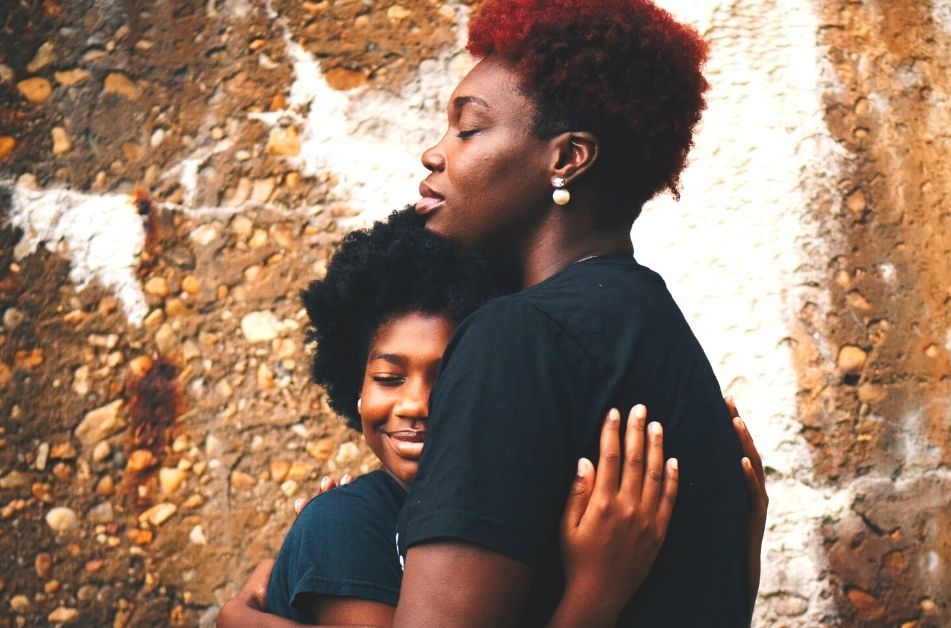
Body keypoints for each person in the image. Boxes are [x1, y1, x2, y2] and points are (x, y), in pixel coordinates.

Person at [393, 0, 760, 625]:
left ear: (566, 159)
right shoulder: (655, 328)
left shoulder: (517, 338)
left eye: (469, 129)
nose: (435, 153)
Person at [217, 210, 693, 627]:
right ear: (355, 390)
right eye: (388, 377)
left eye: (450, 378)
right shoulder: (347, 522)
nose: (416, 404)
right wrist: (597, 592)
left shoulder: (518, 518)